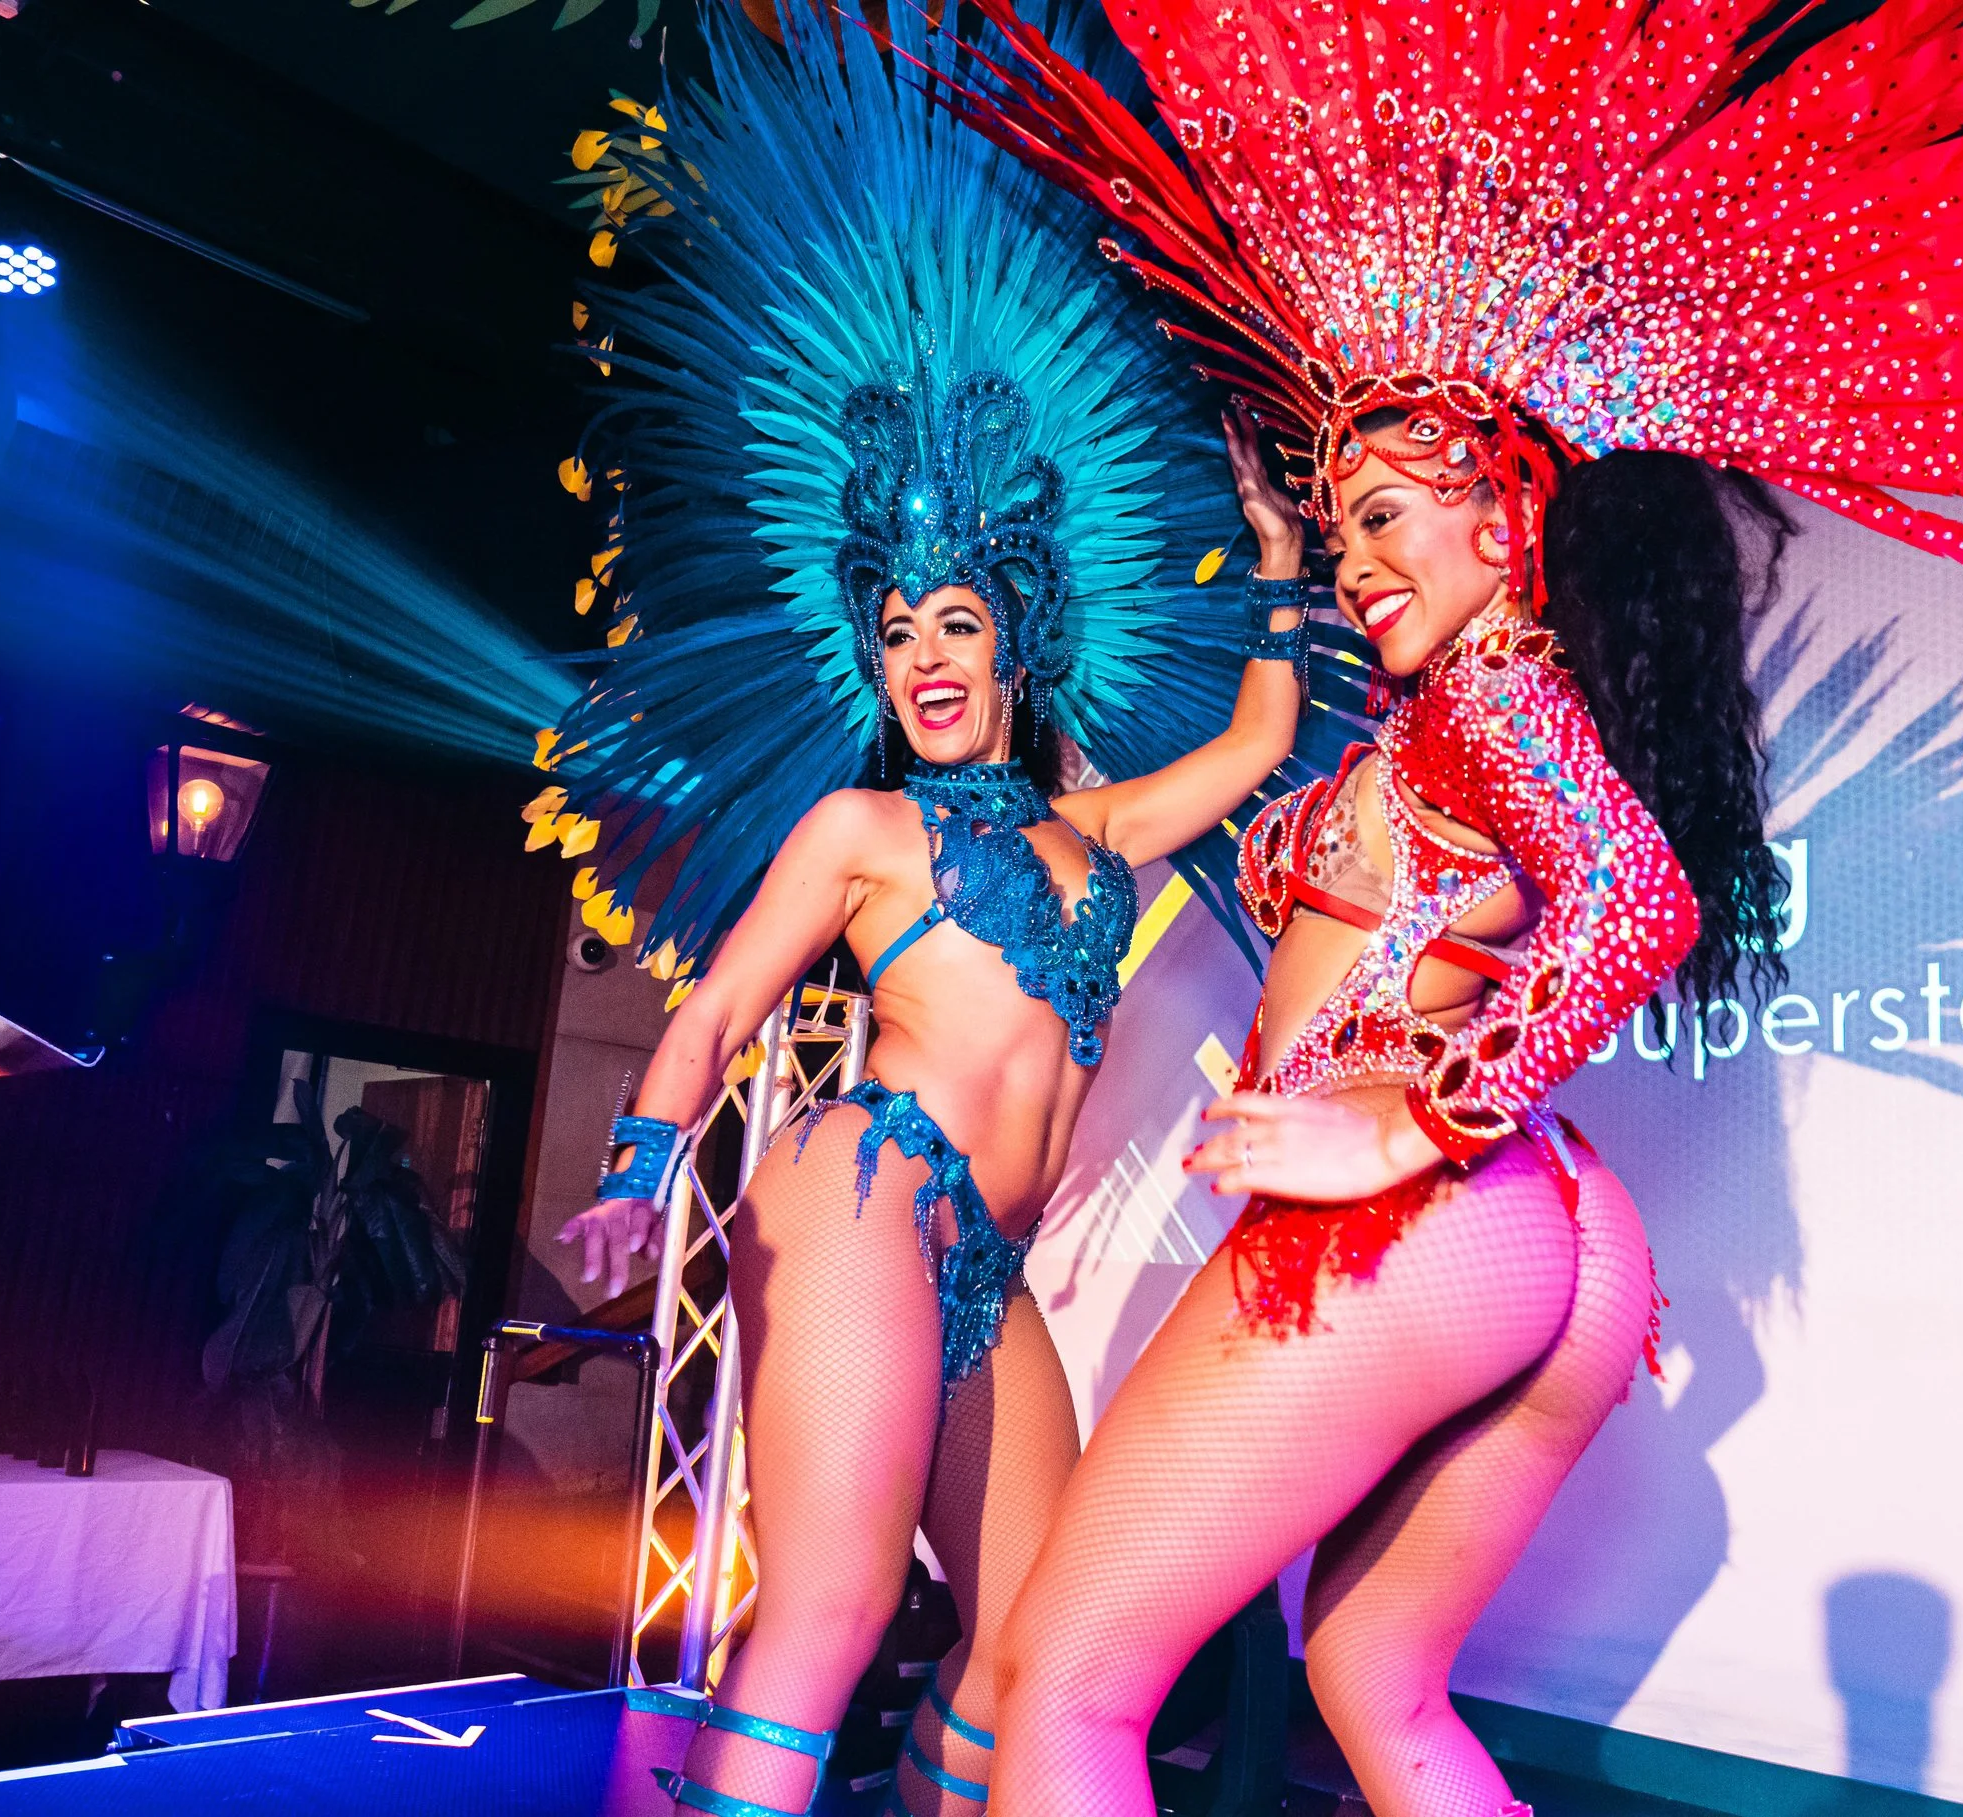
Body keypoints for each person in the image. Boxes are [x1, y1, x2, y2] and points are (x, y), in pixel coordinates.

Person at [931, 0, 1963, 1810]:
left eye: (1382, 521)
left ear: (1505, 523)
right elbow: (1313, 837)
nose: (1358, 566)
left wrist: (1404, 1129)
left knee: (1058, 1683)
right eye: (1338, 534)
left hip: (1414, 1223)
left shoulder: (1500, 683)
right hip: (1555, 1241)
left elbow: (1636, 900)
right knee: (1377, 1682)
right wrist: (1275, 596)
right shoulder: (1452, 717)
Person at [530, 8, 1353, 1813]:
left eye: (956, 627)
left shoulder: (1111, 826)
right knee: (821, 1608)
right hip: (861, 1194)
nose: (920, 662)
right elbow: (711, 1012)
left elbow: (1274, 731)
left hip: (986, 1263)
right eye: (896, 634)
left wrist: (1285, 566)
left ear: (1020, 643)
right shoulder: (857, 828)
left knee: (1035, 1646)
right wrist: (631, 1173)